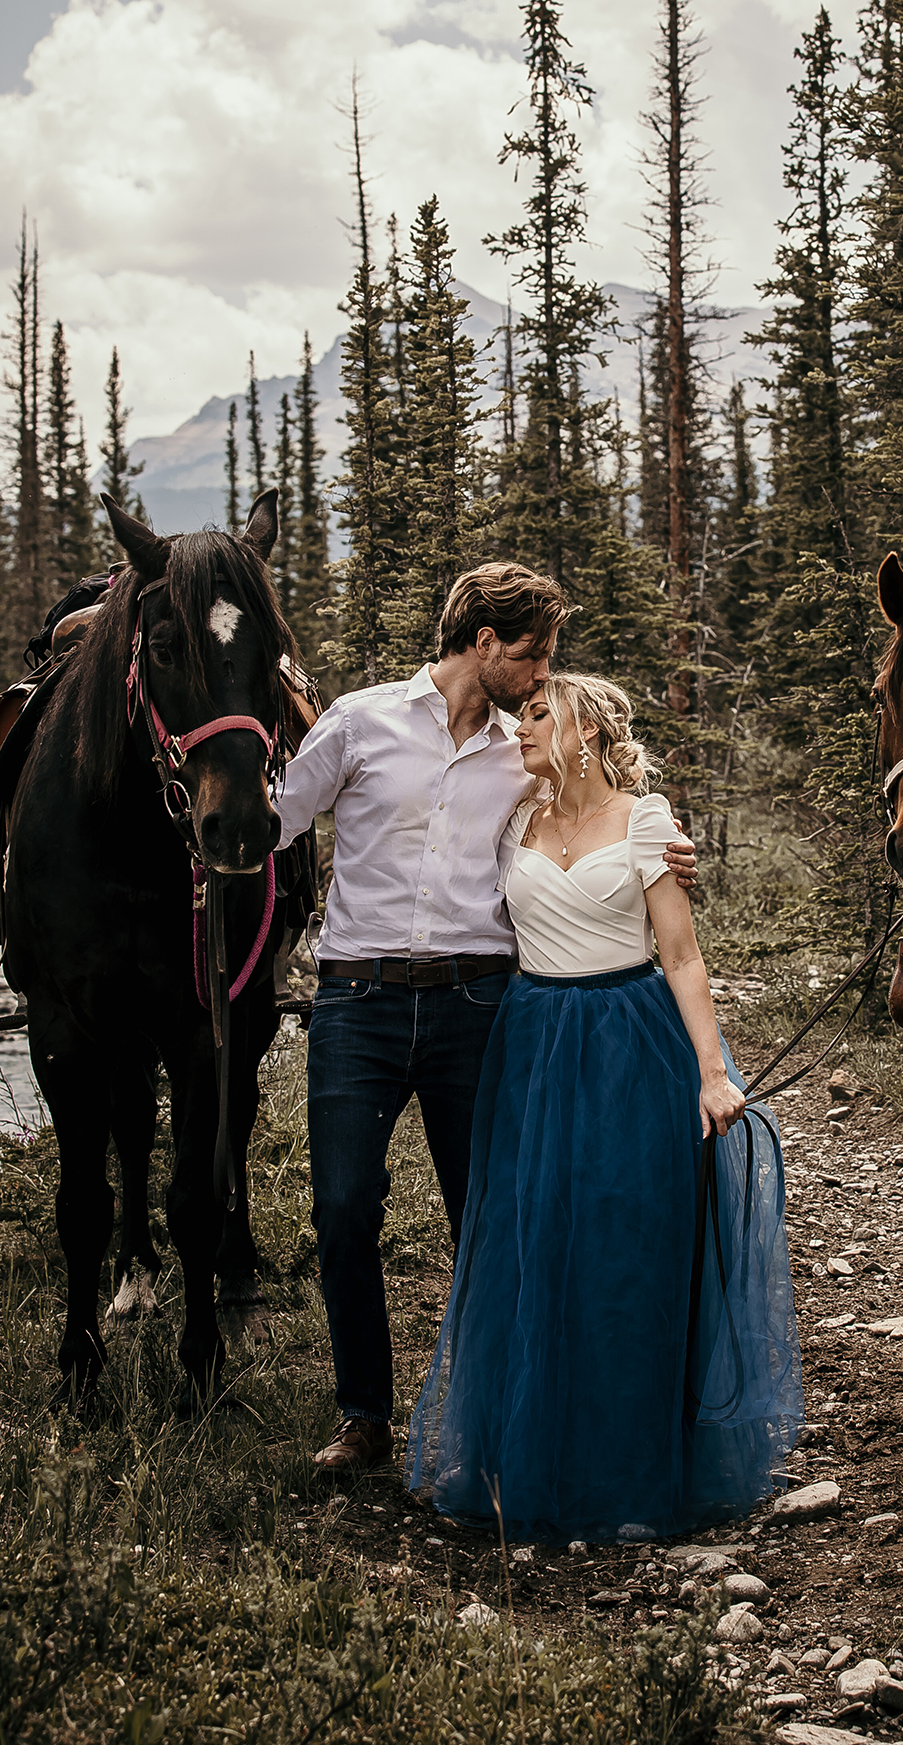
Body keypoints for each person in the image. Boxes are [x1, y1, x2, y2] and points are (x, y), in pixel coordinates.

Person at [275, 564, 695, 1478]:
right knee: (344, 1210)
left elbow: (594, 818)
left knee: (492, 1217)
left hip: (480, 1005)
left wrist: (666, 848)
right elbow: (271, 822)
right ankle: (364, 1419)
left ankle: (498, 1412)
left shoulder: (527, 746)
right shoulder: (358, 721)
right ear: (482, 643)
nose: (545, 672)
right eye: (533, 653)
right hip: (358, 1002)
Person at [405, 673, 802, 1540]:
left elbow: (684, 955)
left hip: (629, 1039)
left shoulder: (648, 822)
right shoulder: (517, 818)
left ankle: (627, 1471)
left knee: (627, 1248)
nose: (522, 729)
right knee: (536, 1242)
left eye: (540, 714)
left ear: (585, 727)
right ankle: (529, 1457)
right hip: (535, 1044)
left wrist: (711, 1072)